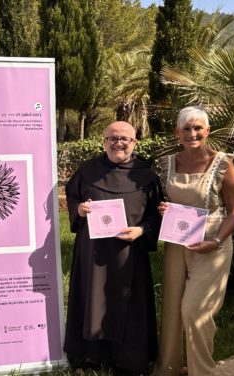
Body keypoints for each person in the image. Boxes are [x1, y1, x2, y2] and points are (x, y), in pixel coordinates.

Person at [64, 121, 162, 375]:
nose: (119, 142)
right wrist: (79, 210)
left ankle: (129, 359)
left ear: (134, 143)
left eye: (125, 139)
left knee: (129, 303)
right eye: (113, 138)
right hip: (92, 253)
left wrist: (141, 230)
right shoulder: (87, 171)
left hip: (131, 254)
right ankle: (91, 358)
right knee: (93, 300)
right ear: (104, 141)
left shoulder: (148, 176)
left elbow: (157, 214)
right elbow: (73, 197)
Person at [154, 107, 234, 376]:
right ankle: (169, 368)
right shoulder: (168, 163)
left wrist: (215, 241)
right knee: (171, 309)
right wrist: (164, 210)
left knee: (195, 311)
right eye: (186, 128)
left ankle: (201, 371)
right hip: (176, 241)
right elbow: (169, 202)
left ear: (207, 131)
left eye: (198, 128)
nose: (192, 134)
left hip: (211, 244)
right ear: (177, 132)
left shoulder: (223, 164)